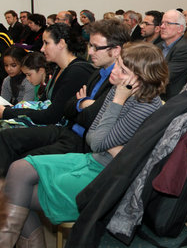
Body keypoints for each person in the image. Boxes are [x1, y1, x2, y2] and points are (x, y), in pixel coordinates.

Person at [0, 42, 168, 247]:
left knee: (14, 193)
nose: (114, 71)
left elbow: (97, 141)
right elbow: (92, 134)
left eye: (122, 70)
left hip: (106, 177)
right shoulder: (118, 90)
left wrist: (117, 102)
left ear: (141, 78)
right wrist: (112, 142)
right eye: (117, 64)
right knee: (18, 169)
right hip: (91, 160)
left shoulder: (144, 106)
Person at [0, 19, 130, 177]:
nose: (89, 52)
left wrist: (79, 105)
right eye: (90, 46)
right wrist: (82, 104)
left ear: (116, 50)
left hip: (82, 141)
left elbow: (92, 119)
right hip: (68, 130)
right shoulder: (97, 73)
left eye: (96, 47)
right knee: (6, 137)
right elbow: (69, 108)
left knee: (21, 162)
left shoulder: (118, 81)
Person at [0, 23, 94, 126]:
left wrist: (8, 112)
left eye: (46, 43)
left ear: (61, 43)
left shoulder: (77, 72)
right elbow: (42, 103)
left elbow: (51, 116)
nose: (42, 49)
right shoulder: (59, 68)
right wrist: (10, 110)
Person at [158, 9, 187, 100]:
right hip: (154, 95)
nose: (162, 26)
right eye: (162, 23)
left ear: (180, 28)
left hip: (170, 99)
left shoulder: (185, 50)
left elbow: (164, 76)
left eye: (168, 23)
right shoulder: (157, 46)